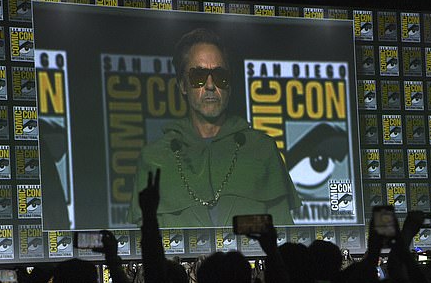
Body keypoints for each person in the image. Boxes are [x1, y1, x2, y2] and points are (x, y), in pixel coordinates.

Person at [128, 28, 301, 227]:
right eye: (198, 76)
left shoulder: (262, 150)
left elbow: (283, 238)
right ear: (183, 85)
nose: (210, 85)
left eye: (220, 76)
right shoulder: (155, 158)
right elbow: (145, 246)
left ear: (230, 85)